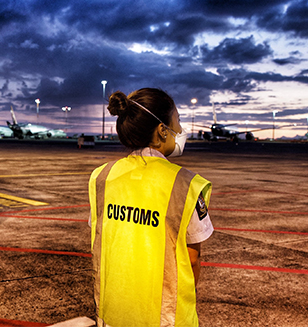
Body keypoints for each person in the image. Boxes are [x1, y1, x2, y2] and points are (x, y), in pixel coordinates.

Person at [88, 88, 214, 327]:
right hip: (166, 319)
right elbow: (193, 259)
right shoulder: (185, 184)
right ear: (161, 131)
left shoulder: (101, 177)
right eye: (177, 121)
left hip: (113, 312)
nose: (180, 130)